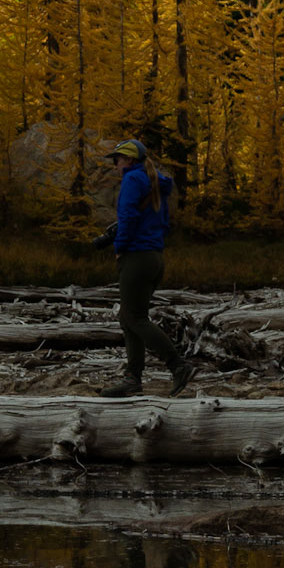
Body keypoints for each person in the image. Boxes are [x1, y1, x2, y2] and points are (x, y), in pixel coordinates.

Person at [94, 138, 193, 398]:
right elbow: (161, 222)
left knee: (135, 318)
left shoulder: (132, 179)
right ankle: (133, 378)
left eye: (116, 160)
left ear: (129, 160)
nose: (115, 165)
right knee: (128, 317)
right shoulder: (154, 182)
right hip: (154, 257)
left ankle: (178, 365)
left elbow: (128, 216)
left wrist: (119, 247)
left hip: (136, 257)